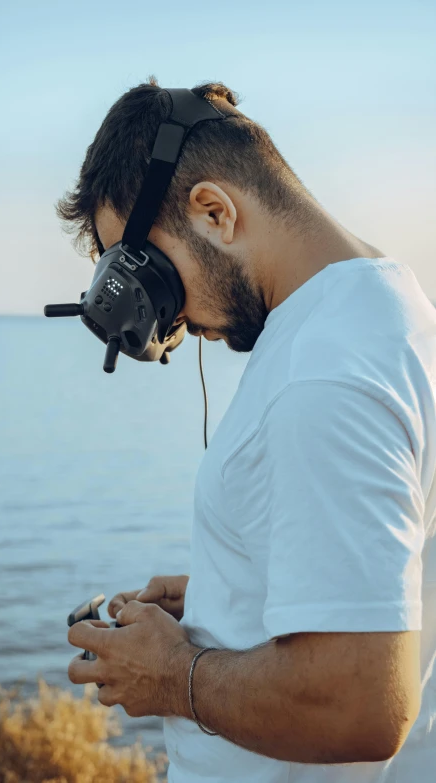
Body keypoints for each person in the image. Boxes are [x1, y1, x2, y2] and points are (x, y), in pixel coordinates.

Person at [62, 79, 436, 783]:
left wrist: (171, 675)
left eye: (147, 273)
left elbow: (361, 703)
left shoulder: (323, 376)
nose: (164, 322)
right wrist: (230, 596)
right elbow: (376, 577)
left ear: (214, 211)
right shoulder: (390, 307)